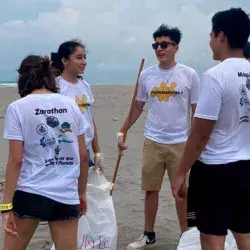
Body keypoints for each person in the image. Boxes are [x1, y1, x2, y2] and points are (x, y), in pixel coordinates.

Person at [172, 7, 250, 250]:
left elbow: (200, 134)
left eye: (211, 35)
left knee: (212, 237)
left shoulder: (215, 76)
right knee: (244, 233)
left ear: (222, 36)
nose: (209, 42)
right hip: (246, 166)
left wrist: (181, 171)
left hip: (215, 170)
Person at [118, 24, 200, 249]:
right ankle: (148, 234)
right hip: (153, 140)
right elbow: (137, 106)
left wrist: (196, 141)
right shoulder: (147, 75)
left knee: (181, 191)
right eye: (156, 45)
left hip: (180, 142)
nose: (159, 49)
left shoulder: (189, 74)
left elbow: (196, 111)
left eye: (164, 44)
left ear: (176, 47)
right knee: (151, 189)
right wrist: (123, 130)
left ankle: (186, 236)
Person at [1, 55, 89, 250]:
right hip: (66, 193)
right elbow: (83, 156)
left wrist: (6, 205)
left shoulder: (17, 108)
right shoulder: (71, 105)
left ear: (23, 78)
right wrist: (81, 192)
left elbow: (16, 160)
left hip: (31, 191)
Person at [51, 40, 103, 171]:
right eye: (79, 58)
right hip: (65, 151)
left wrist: (97, 152)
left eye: (84, 57)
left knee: (86, 190)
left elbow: (90, 120)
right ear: (64, 60)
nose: (84, 62)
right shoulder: (56, 87)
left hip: (86, 149)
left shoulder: (85, 86)